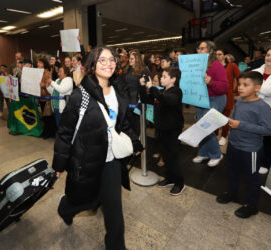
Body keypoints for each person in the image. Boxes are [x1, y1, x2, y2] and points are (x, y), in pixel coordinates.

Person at [52, 47, 142, 250]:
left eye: (111, 60)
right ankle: (66, 208)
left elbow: (123, 123)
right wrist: (59, 163)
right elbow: (65, 132)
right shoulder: (80, 95)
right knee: (86, 201)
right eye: (102, 60)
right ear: (92, 65)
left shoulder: (118, 91)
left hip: (111, 161)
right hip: (87, 161)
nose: (108, 63)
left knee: (114, 210)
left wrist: (134, 142)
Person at [216, 71, 271, 218]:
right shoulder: (240, 101)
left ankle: (251, 205)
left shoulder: (262, 107)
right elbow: (235, 118)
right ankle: (232, 193)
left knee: (251, 178)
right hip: (234, 144)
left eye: (245, 85)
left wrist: (241, 125)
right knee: (232, 171)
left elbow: (268, 129)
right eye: (240, 84)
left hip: (250, 149)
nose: (240, 88)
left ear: (257, 88)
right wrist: (226, 119)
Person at [139, 67, 185, 195]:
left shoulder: (176, 92)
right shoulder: (162, 91)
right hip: (161, 129)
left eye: (164, 76)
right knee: (165, 156)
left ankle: (179, 183)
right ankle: (170, 178)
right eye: (162, 76)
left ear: (173, 79)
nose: (161, 78)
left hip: (172, 131)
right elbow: (146, 100)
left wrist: (152, 88)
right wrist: (143, 87)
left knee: (173, 157)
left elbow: (167, 99)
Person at [192, 41, 229, 167]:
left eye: (202, 48)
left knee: (207, 128)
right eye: (198, 48)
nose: (199, 51)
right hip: (201, 100)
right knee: (200, 127)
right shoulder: (198, 65)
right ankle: (203, 153)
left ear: (210, 50)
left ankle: (216, 154)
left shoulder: (216, 65)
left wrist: (211, 82)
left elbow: (225, 87)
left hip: (215, 99)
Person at [218, 52, 241, 146]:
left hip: (228, 96)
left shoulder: (232, 65)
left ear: (224, 55)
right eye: (216, 54)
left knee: (226, 117)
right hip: (215, 96)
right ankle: (214, 135)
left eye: (219, 54)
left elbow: (240, 78)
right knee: (214, 116)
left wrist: (239, 93)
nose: (217, 56)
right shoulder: (212, 66)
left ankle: (224, 136)